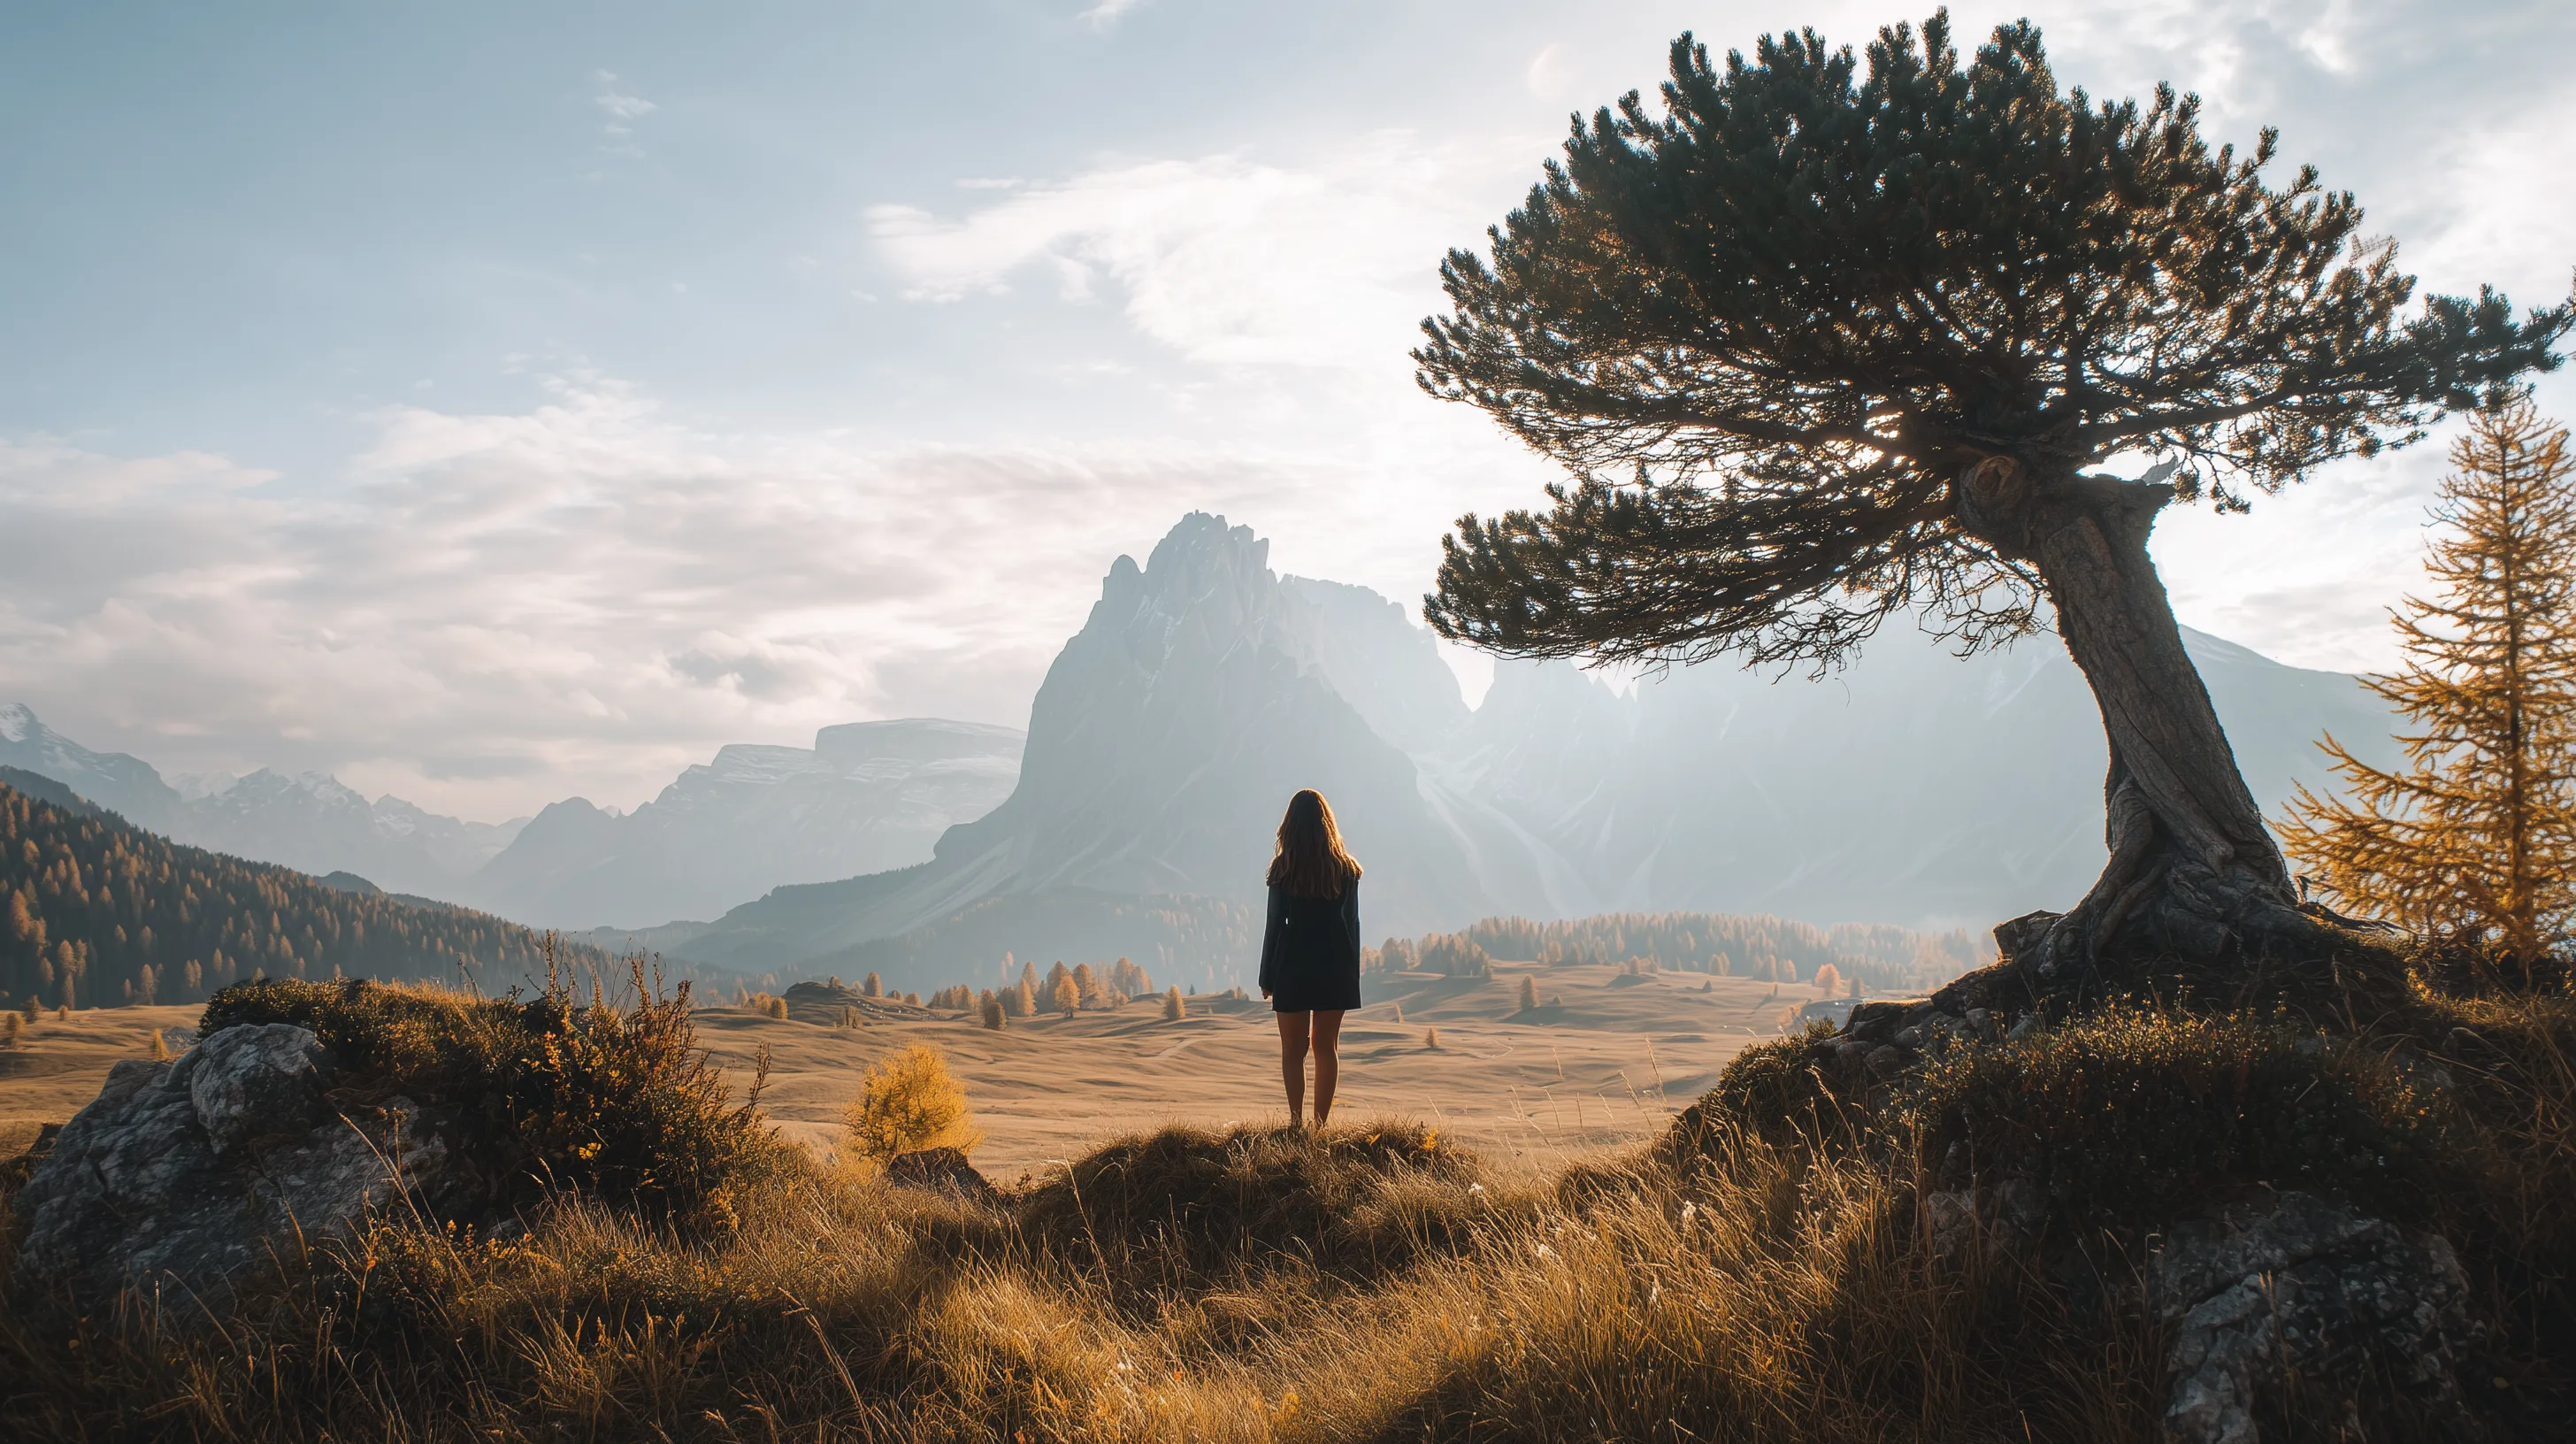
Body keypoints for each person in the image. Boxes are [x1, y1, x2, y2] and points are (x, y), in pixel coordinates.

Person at [1257, 788, 1362, 1129]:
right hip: (1334, 964)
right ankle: (1320, 1127)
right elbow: (1352, 924)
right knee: (1326, 1047)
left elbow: (1274, 925)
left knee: (1293, 1049)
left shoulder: (1282, 869)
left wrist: (1266, 976)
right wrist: (1352, 976)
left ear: (1290, 825)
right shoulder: (1346, 870)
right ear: (1327, 824)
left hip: (1293, 963)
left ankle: (1295, 1123)